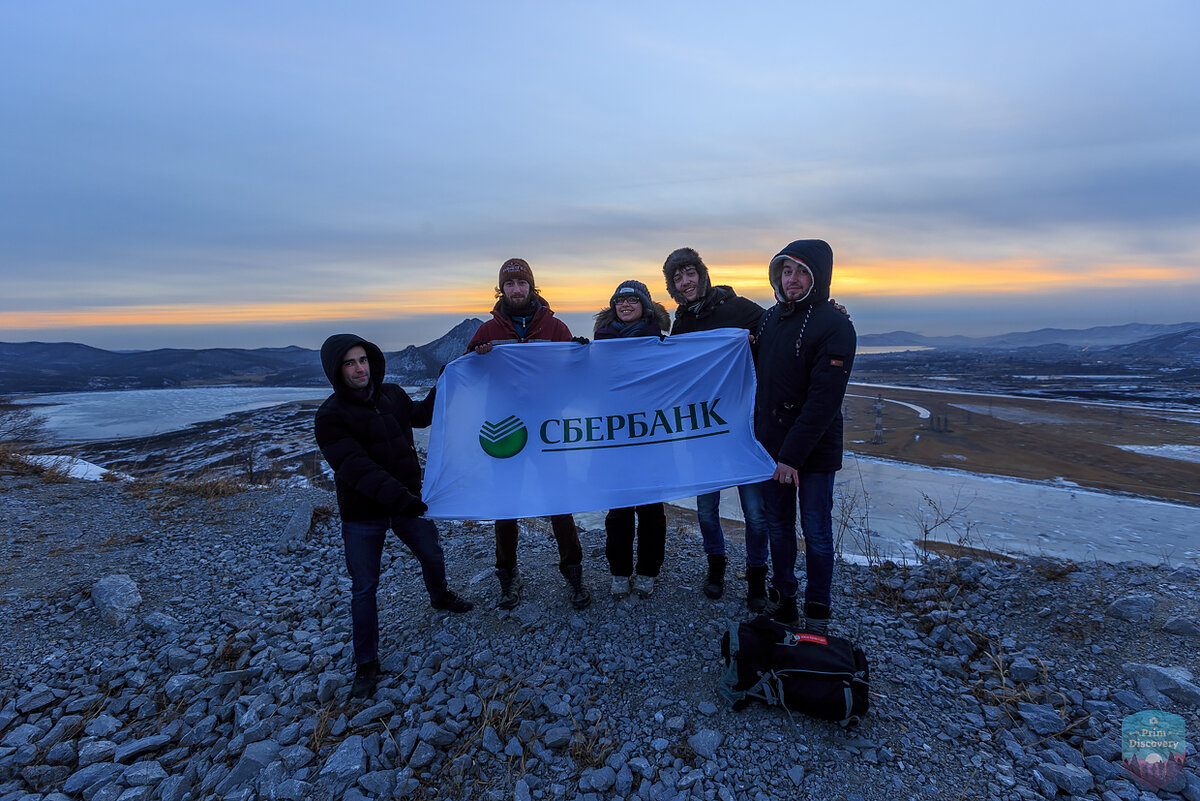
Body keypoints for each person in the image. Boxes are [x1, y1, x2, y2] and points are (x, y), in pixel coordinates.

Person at [315, 334, 473, 698]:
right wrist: (405, 500)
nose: (359, 369)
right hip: (364, 515)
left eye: (363, 360)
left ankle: (440, 596)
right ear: (336, 371)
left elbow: (421, 417)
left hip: (407, 504)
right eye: (350, 363)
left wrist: (447, 378)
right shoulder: (330, 418)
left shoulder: (393, 395)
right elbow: (358, 469)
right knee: (365, 587)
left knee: (431, 553)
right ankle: (366, 663)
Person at [465, 257, 592, 610]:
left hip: (547, 429)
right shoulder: (489, 331)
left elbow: (575, 373)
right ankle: (507, 575)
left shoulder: (554, 327)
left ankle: (573, 571)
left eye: (522, 283)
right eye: (510, 284)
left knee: (558, 501)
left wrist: (579, 353)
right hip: (505, 431)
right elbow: (467, 373)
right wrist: (476, 356)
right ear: (501, 290)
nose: (516, 289)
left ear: (531, 287)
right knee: (507, 503)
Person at [752, 239, 856, 633]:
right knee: (777, 526)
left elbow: (822, 403)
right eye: (786, 270)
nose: (791, 279)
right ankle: (785, 599)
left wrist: (790, 458)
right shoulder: (768, 320)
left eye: (801, 272)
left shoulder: (835, 325)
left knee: (815, 529)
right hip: (770, 448)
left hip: (811, 453)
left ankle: (818, 609)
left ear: (818, 277)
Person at [661, 247, 771, 609]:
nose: (685, 282)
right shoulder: (682, 322)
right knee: (706, 509)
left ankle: (756, 578)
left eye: (689, 273)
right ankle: (716, 569)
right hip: (703, 431)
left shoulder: (738, 308)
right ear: (672, 287)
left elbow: (779, 330)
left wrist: (753, 346)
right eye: (677, 278)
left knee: (755, 511)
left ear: (702, 274)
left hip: (743, 428)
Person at [592, 280, 671, 599]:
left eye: (632, 300)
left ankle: (648, 572)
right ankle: (619, 572)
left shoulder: (660, 343)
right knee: (619, 510)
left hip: (650, 436)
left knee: (651, 509)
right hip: (614, 438)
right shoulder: (600, 343)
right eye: (619, 300)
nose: (625, 304)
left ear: (645, 306)